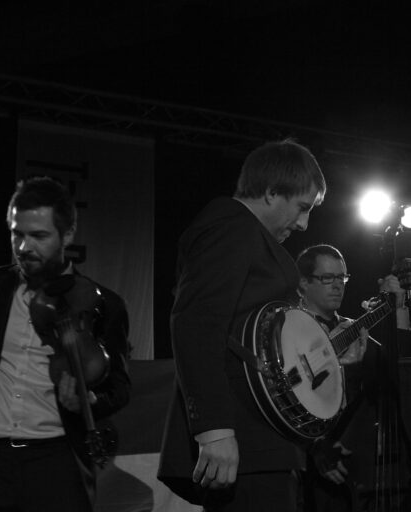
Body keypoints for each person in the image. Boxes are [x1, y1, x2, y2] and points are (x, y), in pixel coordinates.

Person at [157, 139, 329, 512]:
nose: (303, 223)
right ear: (270, 192)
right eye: (302, 207)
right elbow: (196, 323)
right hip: (243, 438)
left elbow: (256, 339)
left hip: (262, 443)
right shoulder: (230, 224)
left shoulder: (241, 232)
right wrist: (214, 430)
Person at [0, 176, 131, 512]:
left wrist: (88, 402)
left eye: (38, 236)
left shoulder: (103, 304)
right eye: (16, 234)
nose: (23, 247)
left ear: (67, 235)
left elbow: (120, 387)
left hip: (56, 461)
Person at [295, 244, 411, 512]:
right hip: (308, 469)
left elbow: (400, 370)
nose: (337, 285)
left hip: (355, 468)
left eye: (342, 278)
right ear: (303, 283)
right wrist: (313, 446)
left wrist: (399, 307)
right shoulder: (288, 332)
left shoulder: (351, 330)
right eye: (328, 278)